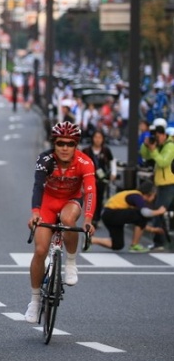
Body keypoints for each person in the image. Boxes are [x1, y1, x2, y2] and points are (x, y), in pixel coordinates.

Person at [25, 122, 96, 323]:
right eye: (61, 143)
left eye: (70, 144)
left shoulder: (85, 162)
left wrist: (88, 219)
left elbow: (90, 192)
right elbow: (38, 186)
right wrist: (35, 213)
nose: (65, 148)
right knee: (40, 251)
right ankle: (35, 300)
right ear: (54, 144)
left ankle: (71, 262)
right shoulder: (46, 159)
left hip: (70, 201)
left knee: (67, 220)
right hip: (48, 203)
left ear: (76, 145)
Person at [90, 180, 167, 252]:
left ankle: (91, 240)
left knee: (118, 245)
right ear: (149, 194)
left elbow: (139, 223)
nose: (154, 198)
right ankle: (134, 245)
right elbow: (144, 213)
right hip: (111, 213)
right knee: (141, 214)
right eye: (154, 195)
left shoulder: (135, 196)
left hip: (109, 216)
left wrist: (153, 229)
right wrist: (159, 211)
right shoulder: (137, 195)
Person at [139, 117, 174, 251]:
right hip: (162, 184)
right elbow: (145, 156)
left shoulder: (170, 146)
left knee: (158, 212)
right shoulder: (159, 145)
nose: (156, 139)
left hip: (169, 184)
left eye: (158, 136)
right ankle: (162, 241)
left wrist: (153, 150)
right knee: (163, 212)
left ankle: (159, 242)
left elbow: (163, 162)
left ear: (164, 135)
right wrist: (146, 145)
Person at [81, 130, 117, 227]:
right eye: (96, 137)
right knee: (90, 197)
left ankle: (97, 218)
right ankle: (90, 217)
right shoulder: (86, 151)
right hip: (89, 178)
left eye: (100, 138)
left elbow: (112, 161)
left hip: (102, 179)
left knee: (100, 198)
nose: (97, 140)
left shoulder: (106, 150)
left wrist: (113, 173)